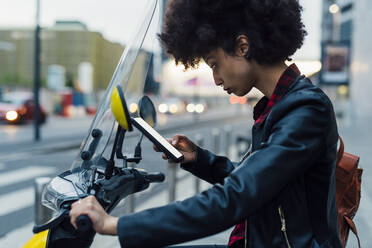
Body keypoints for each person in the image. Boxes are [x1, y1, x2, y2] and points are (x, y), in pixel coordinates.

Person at [70, 0, 343, 247]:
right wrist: (198, 159)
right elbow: (257, 179)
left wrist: (115, 224)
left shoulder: (306, 109)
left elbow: (237, 196)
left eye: (214, 64)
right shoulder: (280, 105)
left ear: (243, 47)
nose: (216, 79)